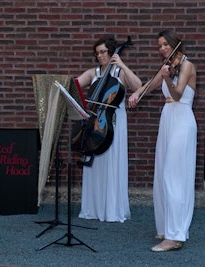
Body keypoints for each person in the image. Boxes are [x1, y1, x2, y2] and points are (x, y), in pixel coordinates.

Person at [128, 30, 197, 252]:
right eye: (159, 45)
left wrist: (167, 76)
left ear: (175, 44)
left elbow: (177, 94)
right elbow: (149, 84)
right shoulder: (166, 66)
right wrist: (136, 94)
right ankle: (166, 226)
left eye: (166, 44)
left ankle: (175, 236)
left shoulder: (186, 65)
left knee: (173, 175)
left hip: (182, 120)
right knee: (162, 173)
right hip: (167, 119)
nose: (163, 48)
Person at [76, 36, 142, 222]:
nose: (100, 56)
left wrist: (121, 64)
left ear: (111, 52)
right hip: (96, 122)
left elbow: (138, 86)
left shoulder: (119, 72)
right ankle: (93, 208)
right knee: (96, 166)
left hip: (114, 121)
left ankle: (112, 209)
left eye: (103, 52)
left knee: (112, 163)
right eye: (97, 53)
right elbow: (75, 87)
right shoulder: (93, 73)